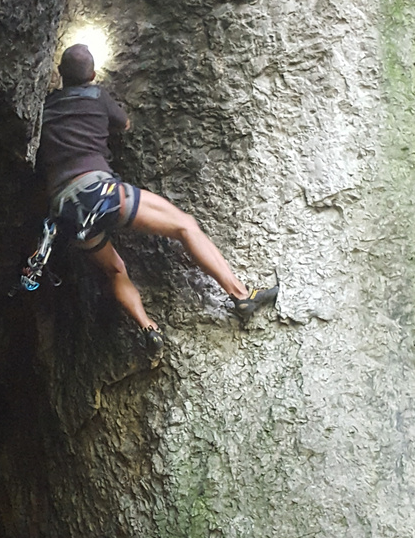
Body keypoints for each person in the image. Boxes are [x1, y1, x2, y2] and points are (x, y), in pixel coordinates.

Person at [38, 43, 278, 362]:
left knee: (115, 270)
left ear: (59, 74)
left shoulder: (46, 107)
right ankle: (241, 294)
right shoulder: (96, 95)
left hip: (65, 212)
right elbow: (123, 125)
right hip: (98, 192)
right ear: (93, 75)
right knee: (185, 226)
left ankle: (149, 329)